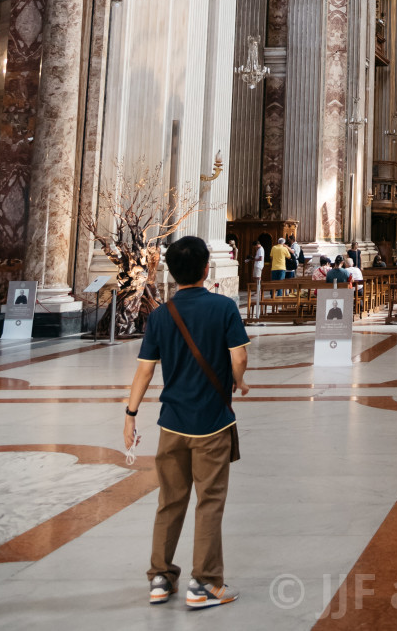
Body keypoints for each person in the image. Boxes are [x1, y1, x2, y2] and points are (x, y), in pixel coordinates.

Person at [125, 234, 249, 609]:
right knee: (208, 501)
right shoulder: (224, 307)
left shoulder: (161, 315)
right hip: (211, 422)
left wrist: (130, 416)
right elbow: (238, 357)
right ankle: (206, 584)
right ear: (206, 269)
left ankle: (160, 578)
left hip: (172, 424)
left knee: (169, 501)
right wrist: (239, 381)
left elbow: (144, 372)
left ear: (172, 273)